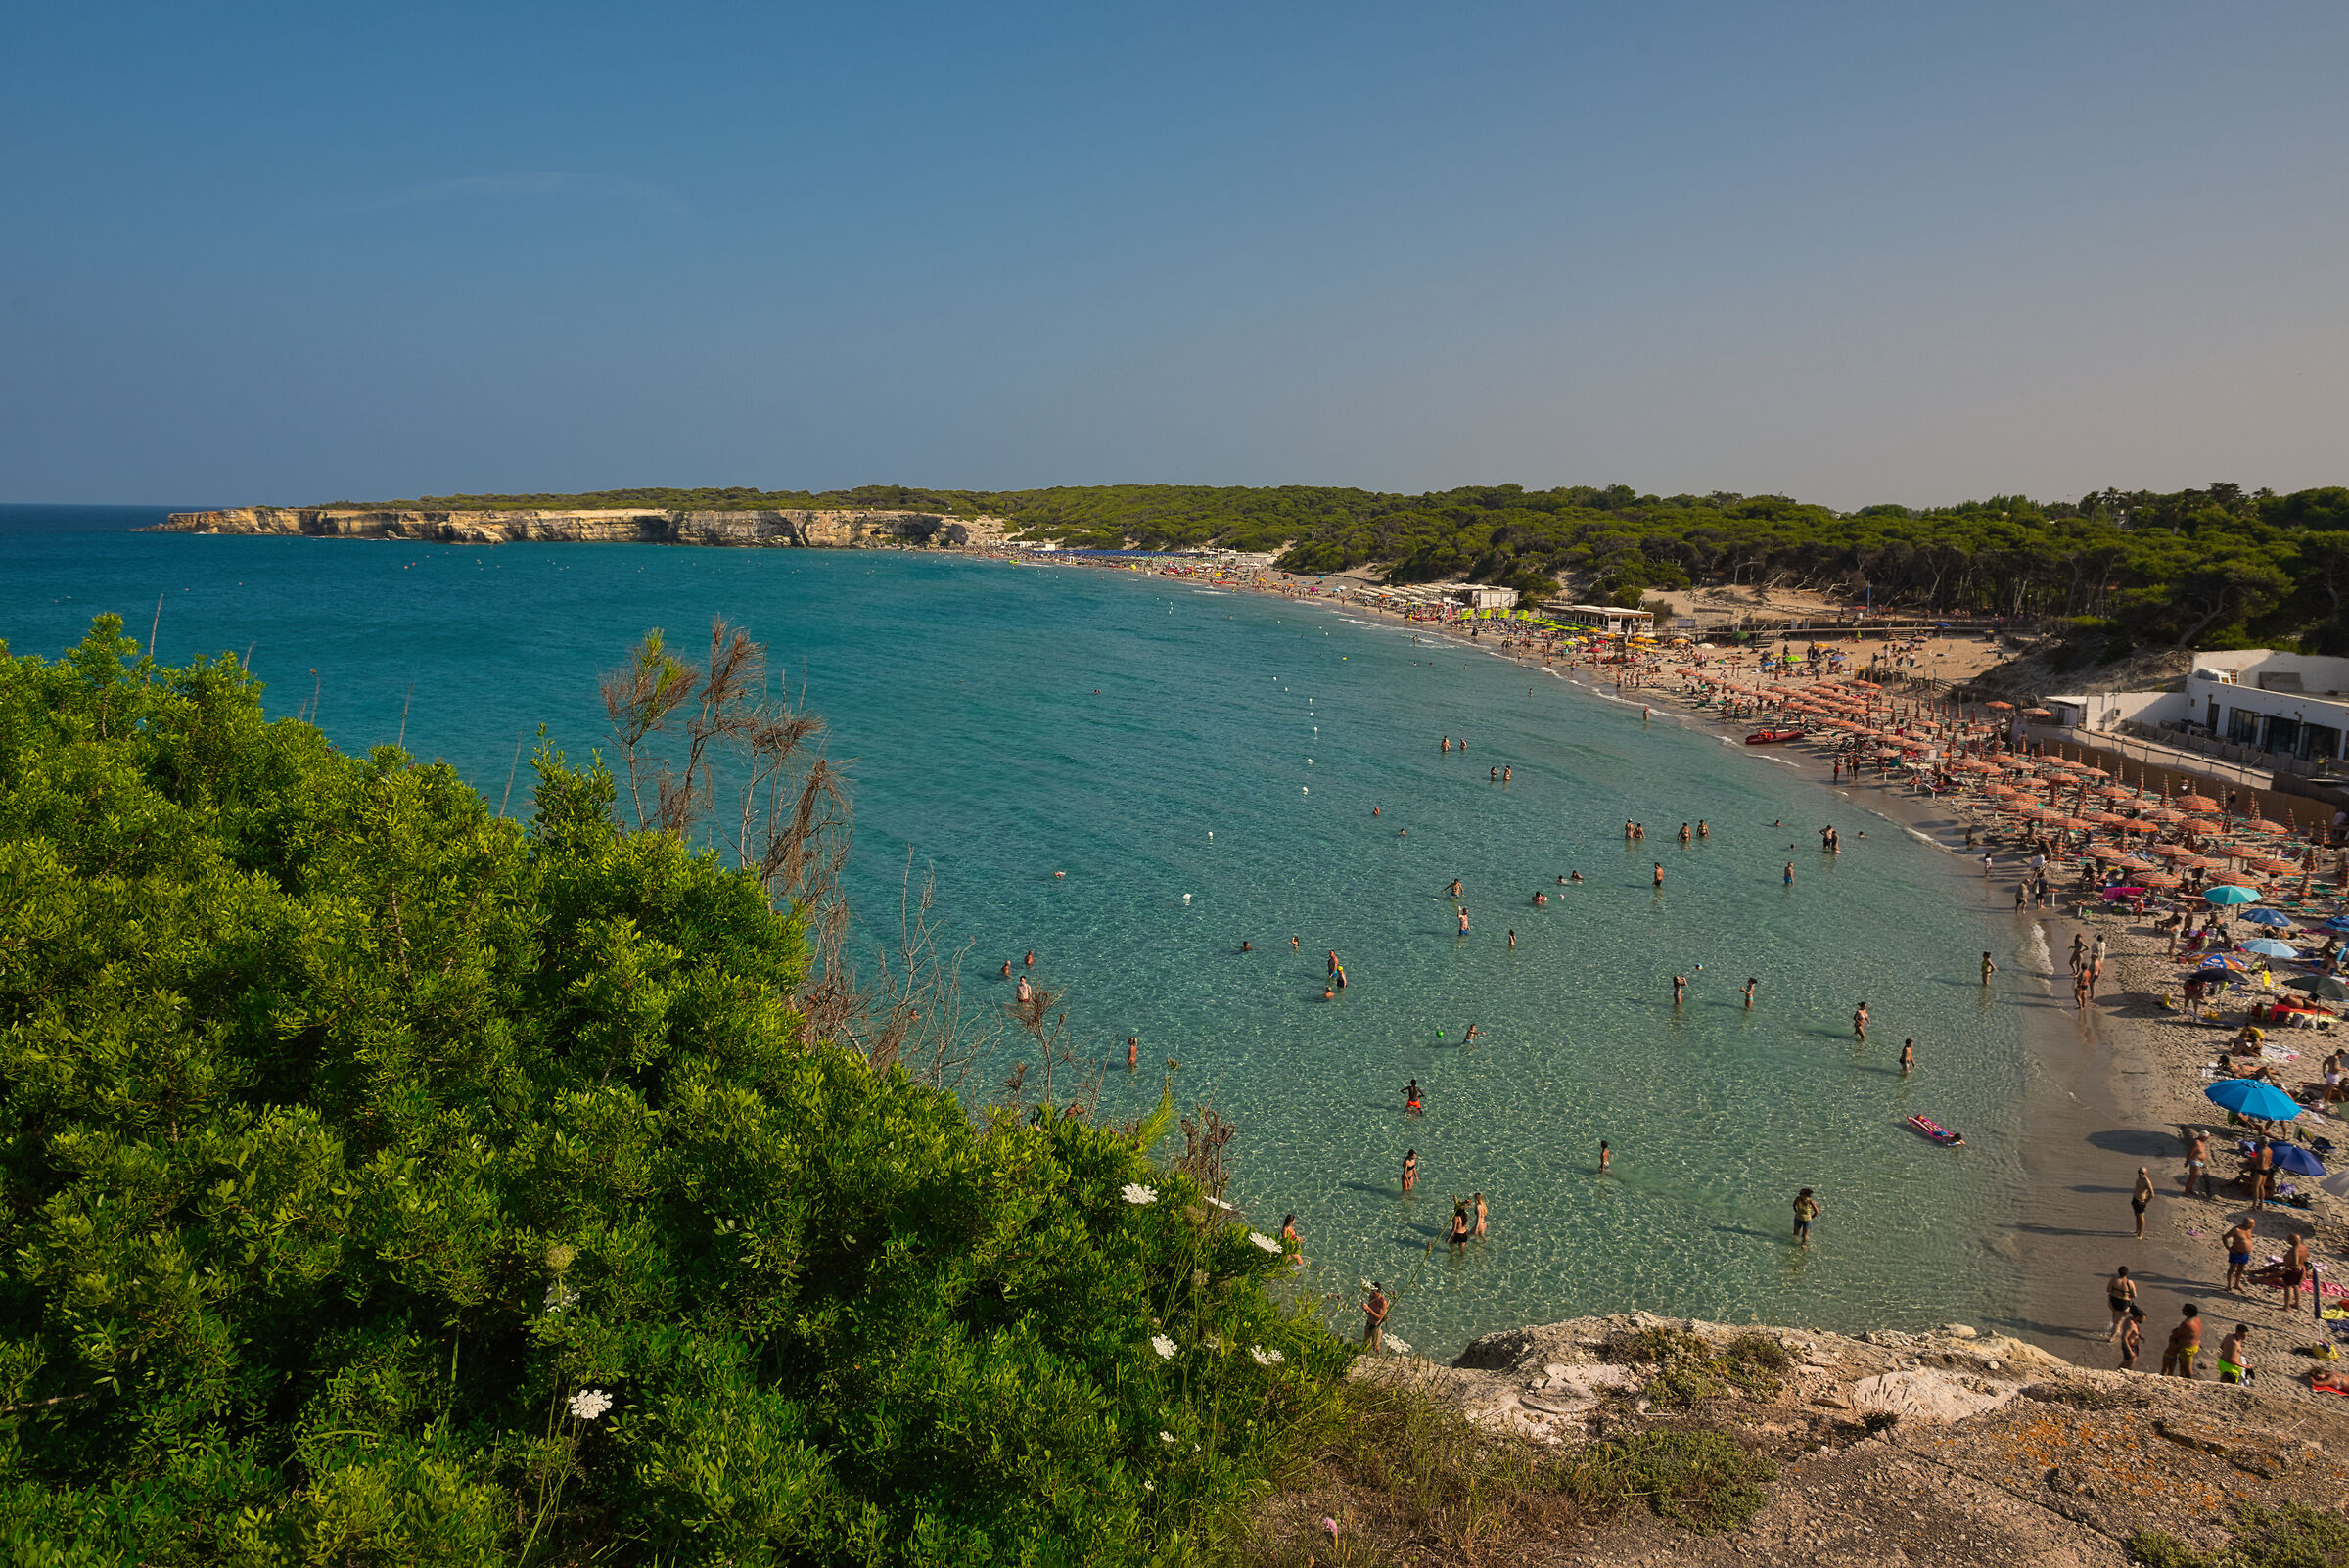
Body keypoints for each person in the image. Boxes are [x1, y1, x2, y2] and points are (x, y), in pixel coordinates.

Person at [2162, 1303, 2202, 1378]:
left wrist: (2174, 1333)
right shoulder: (2197, 1320)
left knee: (2187, 1368)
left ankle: (2189, 1380)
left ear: (2188, 1312)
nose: (2182, 1310)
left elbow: (2176, 1335)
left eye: (2184, 1309)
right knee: (2183, 1366)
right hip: (2195, 1345)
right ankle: (2184, 1377)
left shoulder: (2186, 1323)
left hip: (2187, 1348)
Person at [2224, 1215, 2257, 1292]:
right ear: (2248, 1224)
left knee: (2241, 1269)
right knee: (2232, 1269)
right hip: (2236, 1252)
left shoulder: (2249, 1229)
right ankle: (2229, 1285)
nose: (2254, 1225)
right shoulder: (2236, 1230)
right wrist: (2228, 1248)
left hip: (2245, 1254)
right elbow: (2225, 1237)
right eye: (2253, 1224)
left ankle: (2237, 1284)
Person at [2105, 1267, 2138, 1341]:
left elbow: (2108, 1290)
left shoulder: (2113, 1280)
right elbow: (2134, 1295)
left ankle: (2114, 1330)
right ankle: (2112, 1337)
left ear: (2118, 1272)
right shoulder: (2130, 1282)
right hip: (2124, 1303)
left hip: (2113, 1301)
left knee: (2115, 1316)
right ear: (2127, 1273)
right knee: (2117, 1322)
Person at [2285, 1232, 2312, 1311]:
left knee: (2288, 1287)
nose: (2288, 1241)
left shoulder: (2295, 1249)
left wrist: (2287, 1267)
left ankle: (2286, 1306)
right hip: (2301, 1269)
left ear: (2294, 1241)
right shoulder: (2304, 1247)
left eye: (2289, 1239)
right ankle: (2297, 1304)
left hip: (2293, 1270)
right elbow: (2305, 1258)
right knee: (2296, 1286)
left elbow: (2295, 1262)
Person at [2184, 1131, 2213, 1198]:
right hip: (2195, 1161)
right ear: (2203, 1137)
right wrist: (2187, 1161)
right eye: (2206, 1138)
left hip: (2198, 1162)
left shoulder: (2200, 1142)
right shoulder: (2196, 1143)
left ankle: (2190, 1189)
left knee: (2195, 1177)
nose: (2206, 1140)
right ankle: (2186, 1191)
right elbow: (2190, 1152)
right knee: (2192, 1177)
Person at [2119, 1305, 2145, 1372]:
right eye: (2142, 1319)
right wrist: (2129, 1350)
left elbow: (2133, 1332)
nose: (2143, 1321)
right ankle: (2119, 1372)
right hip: (2129, 1346)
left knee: (2129, 1362)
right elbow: (2124, 1337)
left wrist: (2140, 1336)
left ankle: (2121, 1372)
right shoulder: (2130, 1324)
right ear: (2137, 1317)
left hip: (2134, 1346)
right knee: (2128, 1362)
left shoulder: (2133, 1322)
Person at [1362, 1282, 1390, 1351]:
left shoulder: (1383, 1302)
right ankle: (1367, 1357)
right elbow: (1370, 1314)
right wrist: (1366, 1309)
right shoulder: (1371, 1298)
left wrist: (1369, 1309)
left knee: (1376, 1347)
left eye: (1374, 1293)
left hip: (1376, 1326)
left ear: (1379, 1292)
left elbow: (1379, 1317)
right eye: (1372, 1292)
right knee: (1366, 1345)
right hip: (1369, 1323)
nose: (1372, 1294)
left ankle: (1379, 1358)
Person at [2132, 1166, 2154, 1237]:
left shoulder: (2147, 1181)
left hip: (2141, 1201)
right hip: (2135, 1199)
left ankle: (2140, 1233)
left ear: (2146, 1173)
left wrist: (2146, 1201)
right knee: (2136, 1215)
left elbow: (2152, 1194)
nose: (2140, 1174)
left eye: (2142, 1173)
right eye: (2139, 1172)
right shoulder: (2139, 1179)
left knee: (2141, 1217)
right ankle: (2137, 1230)